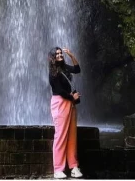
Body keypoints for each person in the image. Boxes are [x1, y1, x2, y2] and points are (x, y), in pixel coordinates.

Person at [49, 47, 82, 179]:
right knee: (60, 136)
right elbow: (58, 90)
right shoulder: (52, 72)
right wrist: (71, 97)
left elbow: (77, 69)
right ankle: (58, 169)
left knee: (72, 136)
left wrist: (71, 55)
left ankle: (73, 166)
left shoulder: (64, 67)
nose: (59, 55)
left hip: (70, 103)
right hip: (60, 103)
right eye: (56, 54)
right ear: (52, 57)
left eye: (60, 53)